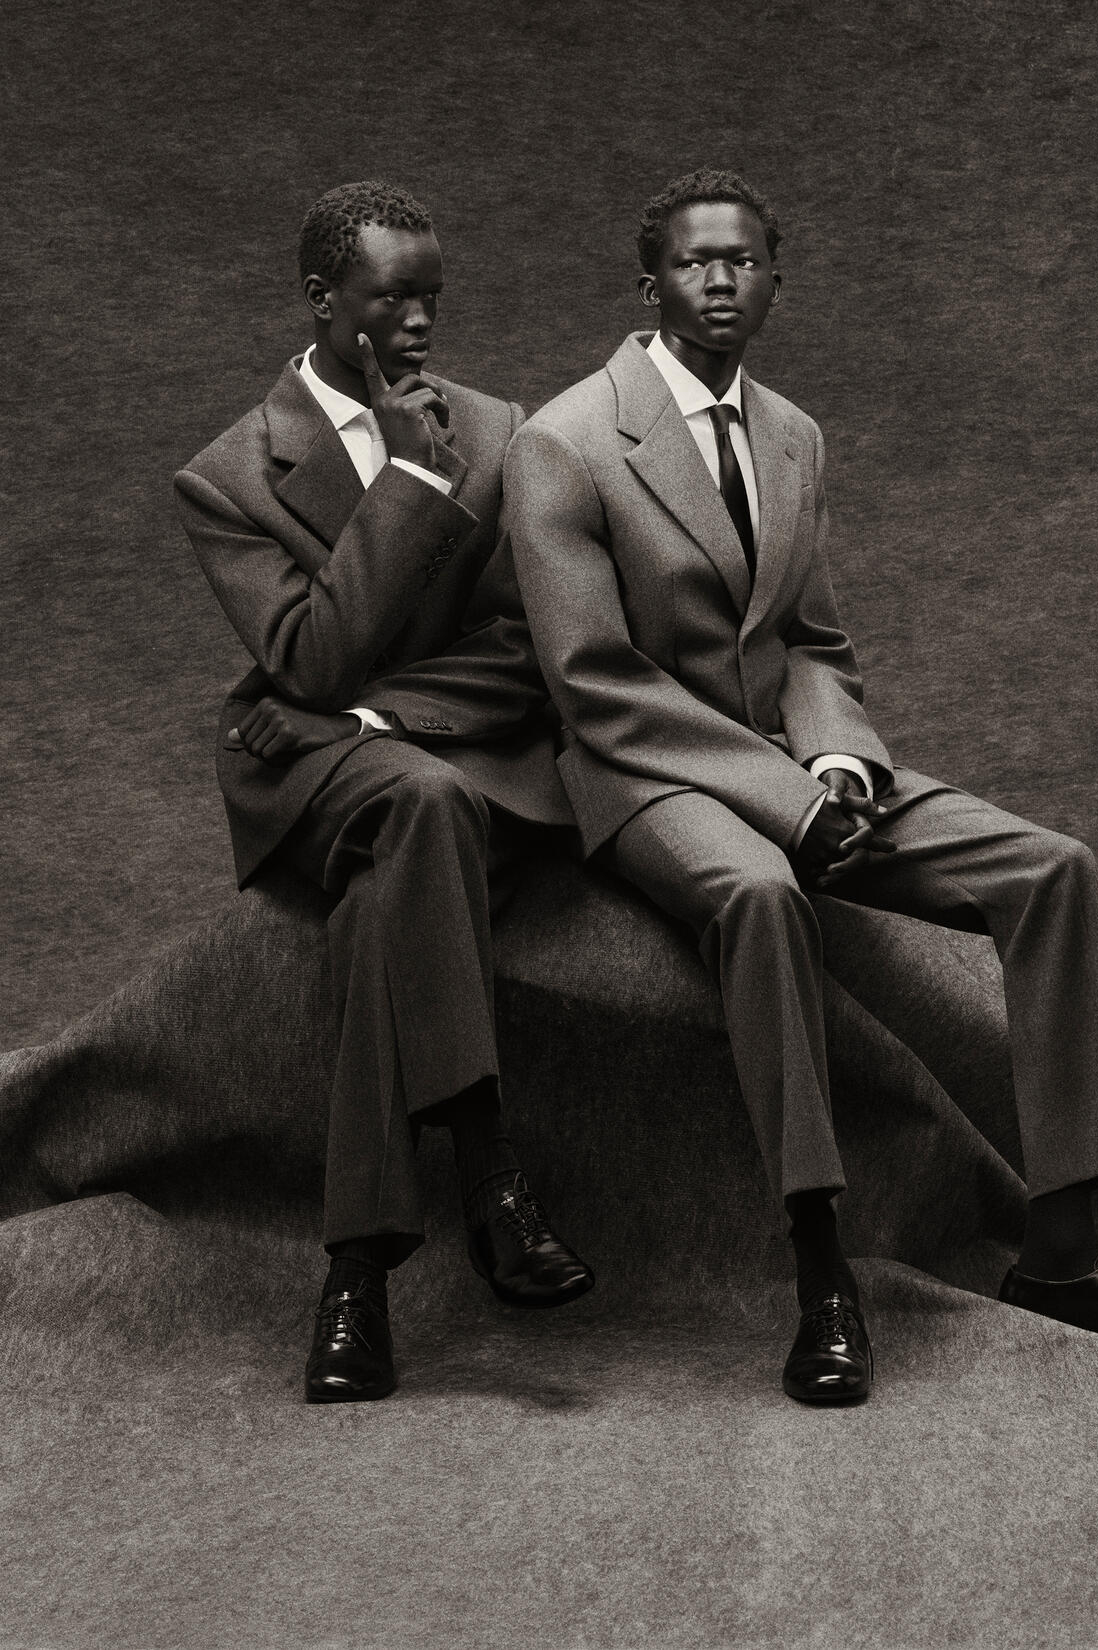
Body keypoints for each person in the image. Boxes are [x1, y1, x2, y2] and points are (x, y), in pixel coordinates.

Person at [502, 167, 1098, 1405]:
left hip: (796, 761)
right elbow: (594, 684)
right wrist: (788, 804)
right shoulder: (565, 442)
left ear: (774, 281)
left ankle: (1065, 1253)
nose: (720, 280)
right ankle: (821, 1276)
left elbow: (811, 644)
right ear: (648, 285)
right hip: (648, 774)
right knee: (762, 900)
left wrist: (837, 758)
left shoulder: (792, 435)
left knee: (1050, 870)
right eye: (693, 262)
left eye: (743, 261)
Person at [175, 180, 593, 1405]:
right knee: (417, 806)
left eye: (433, 297)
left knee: (387, 886)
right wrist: (408, 482)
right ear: (322, 299)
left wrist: (373, 715)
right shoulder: (228, 478)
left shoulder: (497, 430)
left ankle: (355, 1278)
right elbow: (304, 659)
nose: (419, 322)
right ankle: (489, 1169)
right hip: (305, 773)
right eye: (391, 296)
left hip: (434, 755)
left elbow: (523, 645)